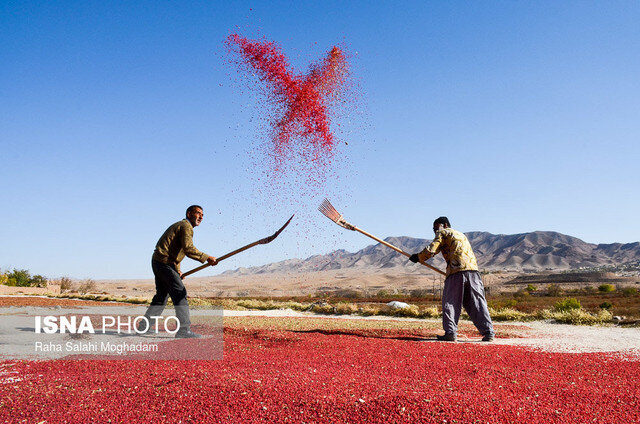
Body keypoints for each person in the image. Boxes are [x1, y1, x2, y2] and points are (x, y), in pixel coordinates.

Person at [409, 217, 495, 342]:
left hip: (456, 271)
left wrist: (418, 257)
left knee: (450, 302)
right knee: (476, 302)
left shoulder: (443, 232)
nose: (435, 231)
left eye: (436, 228)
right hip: (473, 271)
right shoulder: (461, 235)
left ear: (444, 225)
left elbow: (432, 249)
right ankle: (488, 332)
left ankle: (450, 332)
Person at [139, 205, 218, 338]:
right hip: (164, 263)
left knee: (162, 297)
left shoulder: (182, 226)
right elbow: (188, 248)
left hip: (159, 262)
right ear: (189, 214)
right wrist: (207, 258)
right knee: (180, 294)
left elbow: (177, 251)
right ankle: (183, 330)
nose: (201, 217)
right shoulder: (185, 226)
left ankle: (144, 326)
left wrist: (178, 270)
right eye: (198, 213)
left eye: (202, 215)